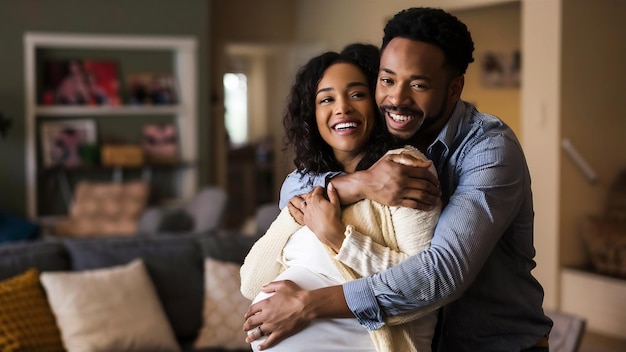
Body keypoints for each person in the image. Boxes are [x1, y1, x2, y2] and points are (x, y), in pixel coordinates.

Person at [243, 7, 553, 352]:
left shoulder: (489, 148)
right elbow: (294, 189)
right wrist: (361, 183)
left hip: (495, 344)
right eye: (387, 80)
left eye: (418, 85)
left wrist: (308, 304)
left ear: (454, 89)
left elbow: (441, 274)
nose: (396, 99)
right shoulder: (389, 143)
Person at [240, 43, 442, 352]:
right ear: (313, 114)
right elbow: (251, 283)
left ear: (377, 103)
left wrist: (337, 237)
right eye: (326, 99)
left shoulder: (403, 171)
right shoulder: (303, 183)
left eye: (357, 94)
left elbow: (423, 292)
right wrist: (297, 213)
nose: (342, 108)